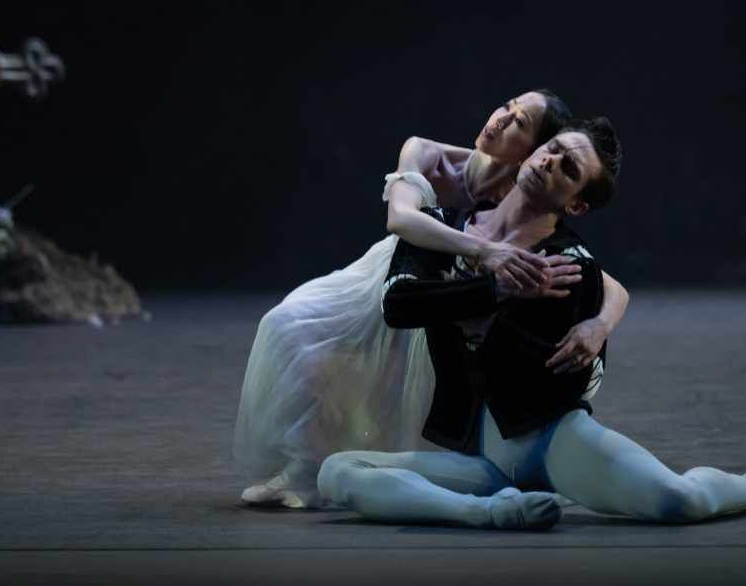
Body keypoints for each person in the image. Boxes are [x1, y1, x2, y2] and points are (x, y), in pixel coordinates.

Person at [317, 118, 746, 529]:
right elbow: (401, 306)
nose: (549, 162)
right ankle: (485, 515)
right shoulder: (446, 230)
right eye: (551, 150)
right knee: (338, 473)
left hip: (552, 444)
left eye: (567, 168)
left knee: (680, 500)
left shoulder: (568, 265)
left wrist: (584, 326)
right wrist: (490, 292)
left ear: (576, 203)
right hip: (487, 465)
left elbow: (550, 378)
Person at [234, 91, 630, 508]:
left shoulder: (527, 196)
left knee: (387, 391)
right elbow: (402, 219)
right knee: (296, 334)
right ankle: (302, 469)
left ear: (533, 149)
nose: (499, 120)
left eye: (519, 123)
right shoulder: (424, 152)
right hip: (393, 275)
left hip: (443, 295)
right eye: (506, 107)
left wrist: (600, 323)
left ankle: (335, 471)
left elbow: (609, 283)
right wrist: (483, 251)